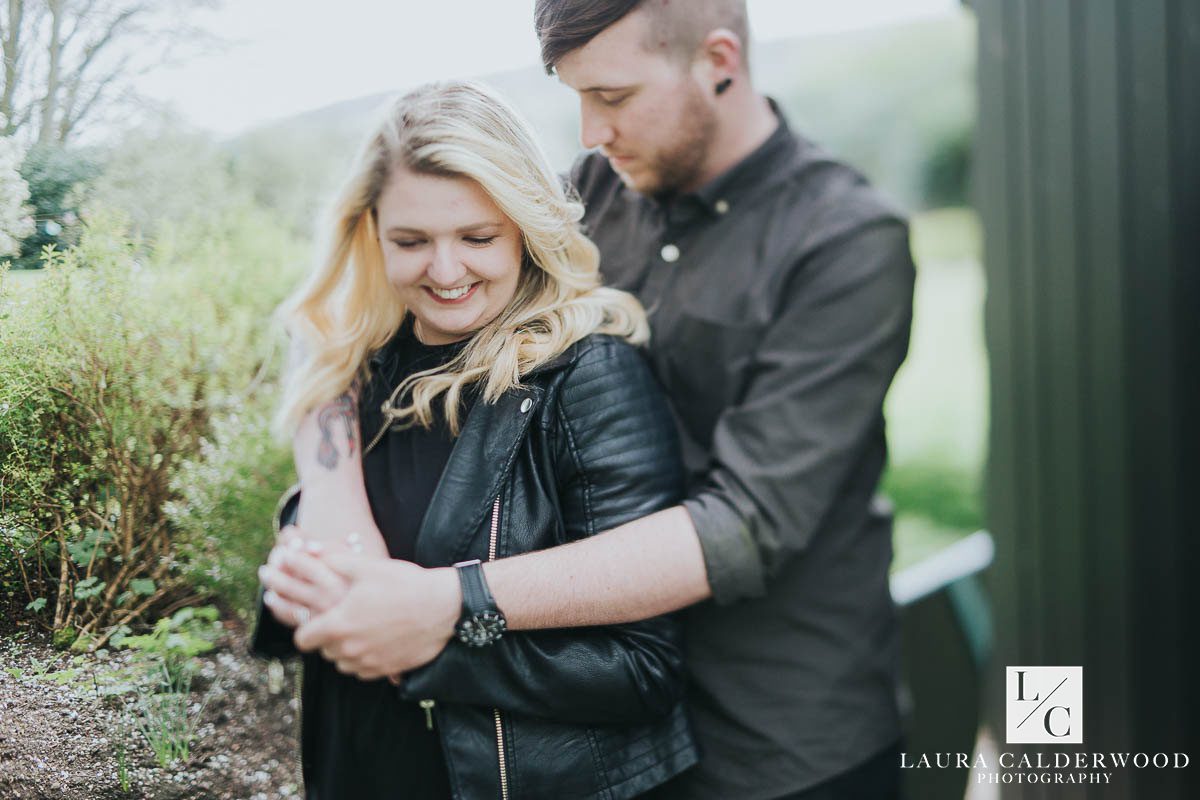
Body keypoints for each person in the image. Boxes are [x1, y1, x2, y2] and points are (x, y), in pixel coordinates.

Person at [265, 1, 916, 797]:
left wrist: (448, 602)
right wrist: (335, 500)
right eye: (572, 95)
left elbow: (745, 525)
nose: (588, 132)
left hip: (783, 736)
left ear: (718, 60)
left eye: (611, 97)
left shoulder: (844, 241)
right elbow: (343, 327)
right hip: (604, 731)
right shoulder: (596, 193)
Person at [252, 79, 698, 800]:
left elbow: (646, 668)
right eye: (412, 241)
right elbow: (348, 583)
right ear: (370, 231)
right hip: (358, 767)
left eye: (477, 237)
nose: (447, 270)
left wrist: (431, 642)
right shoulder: (357, 372)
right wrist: (299, 582)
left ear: (525, 226)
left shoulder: (585, 379)